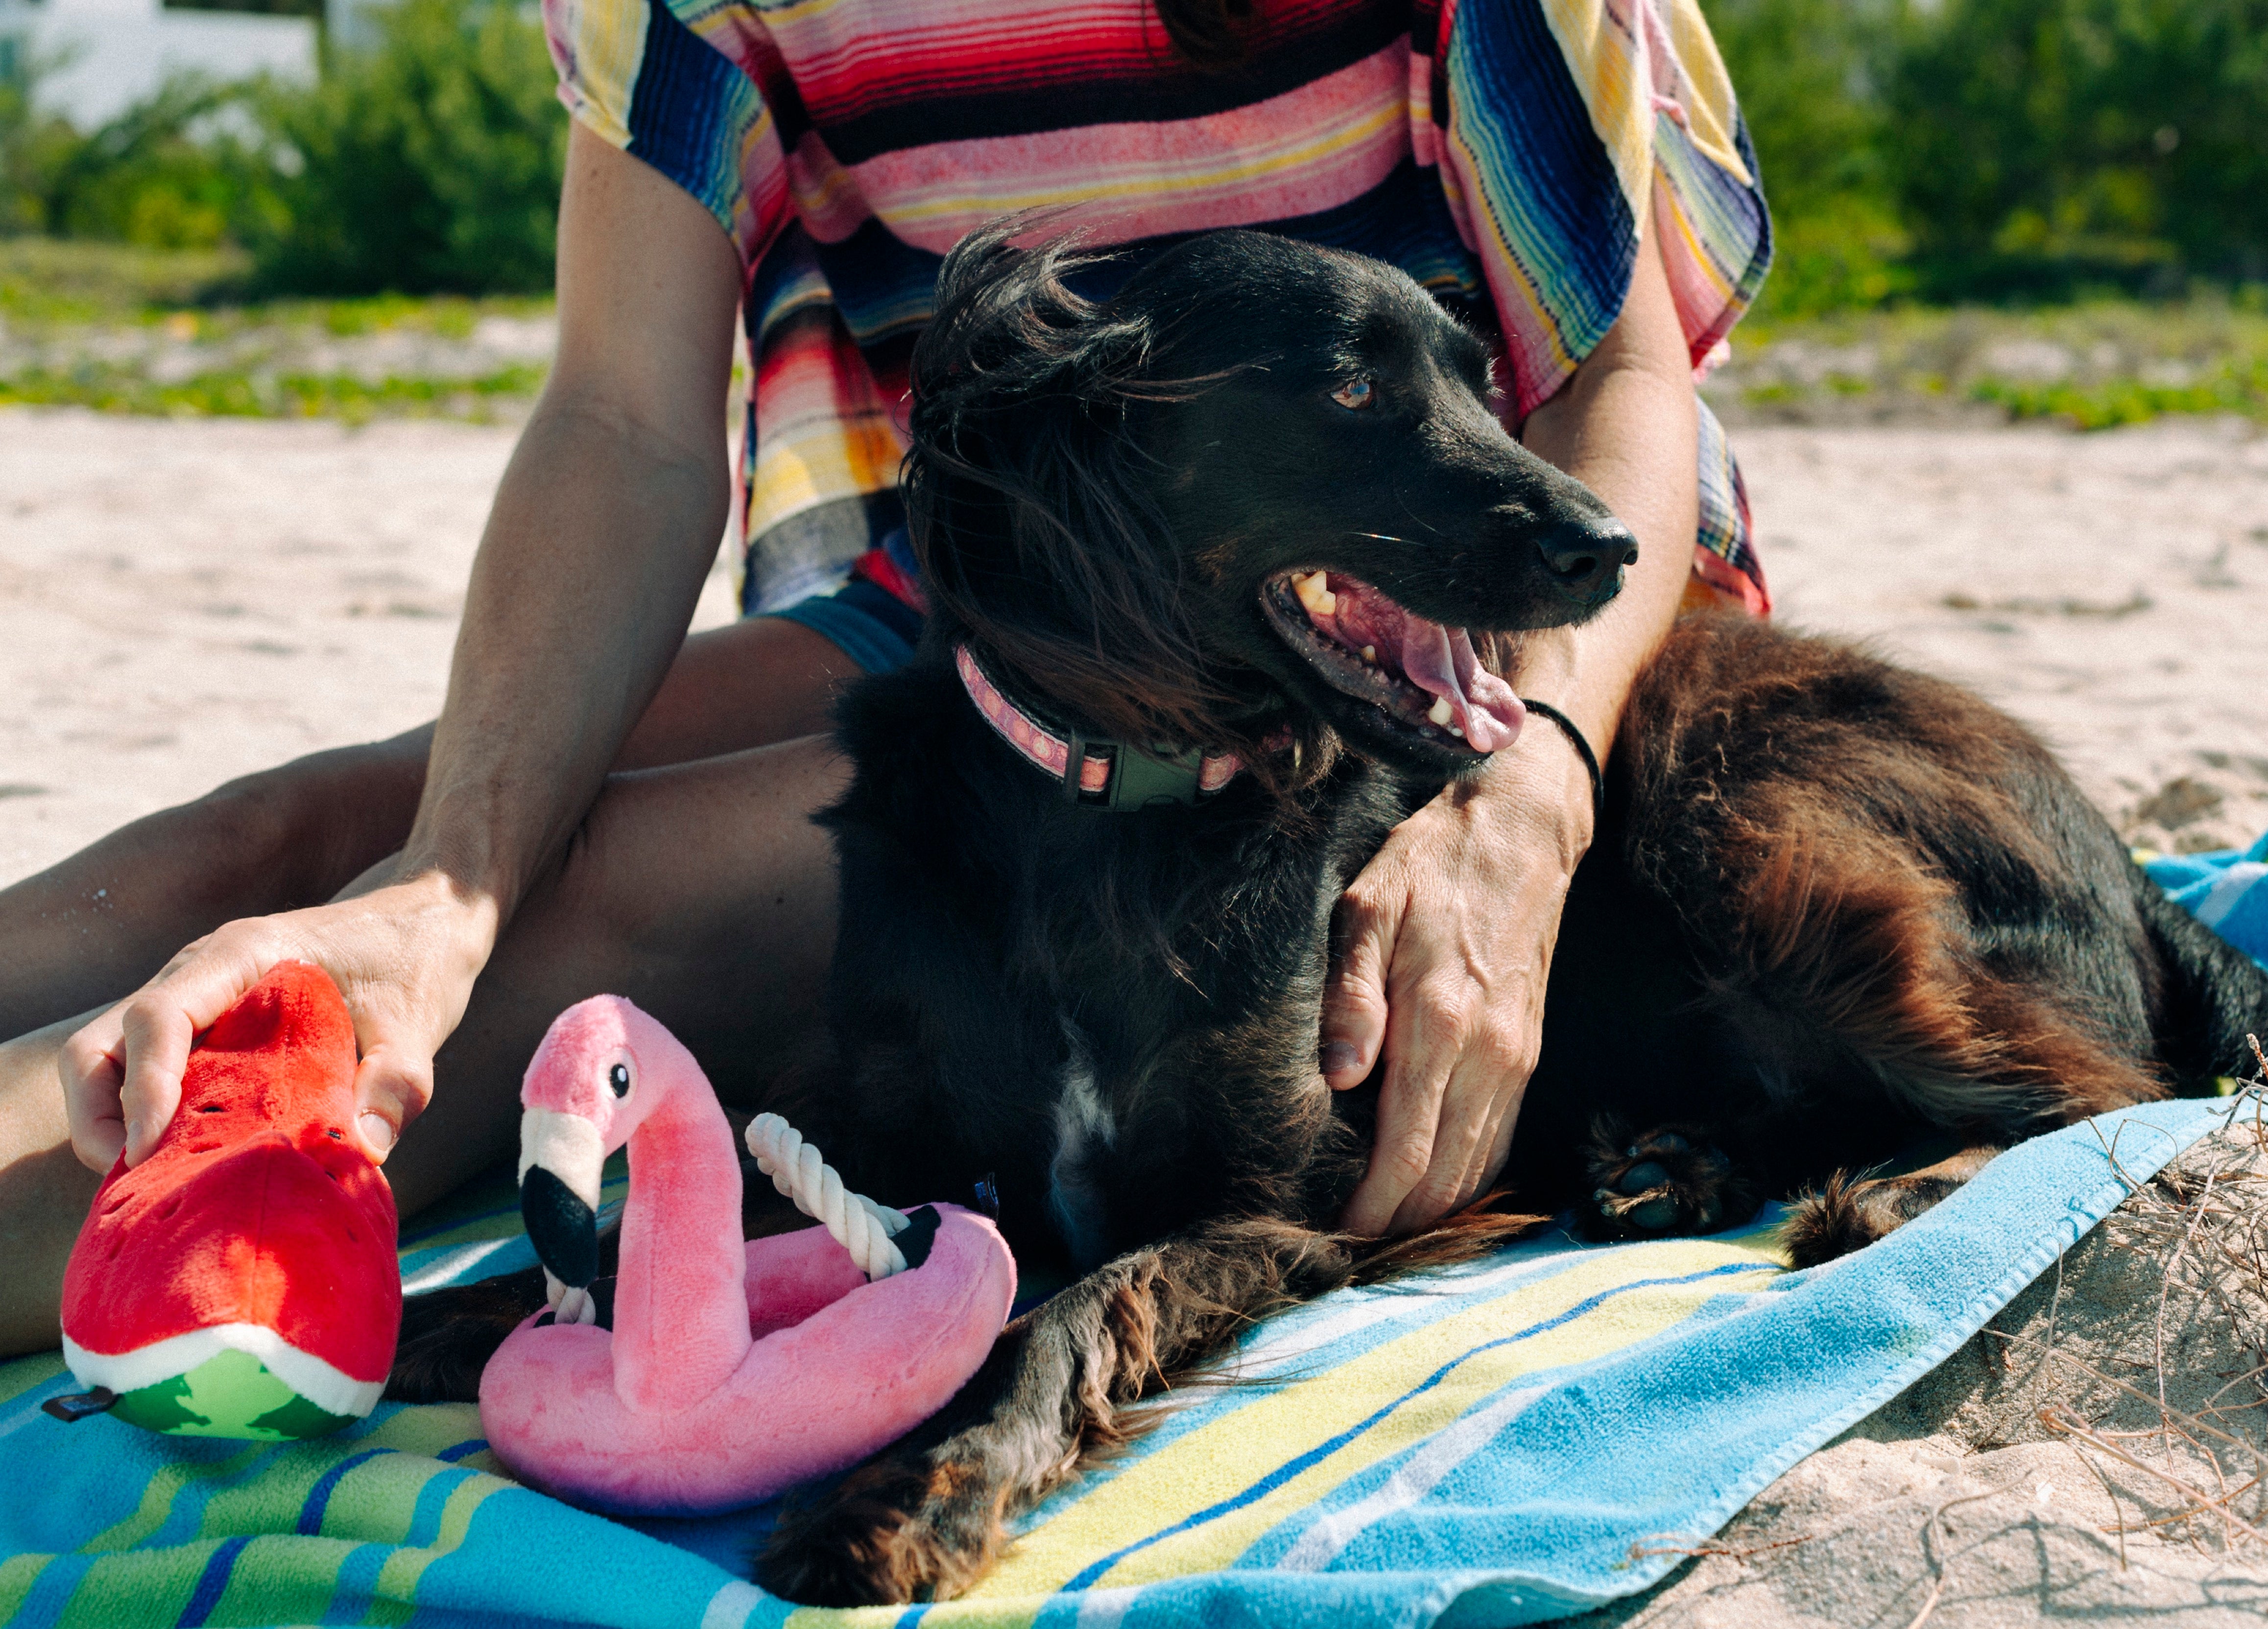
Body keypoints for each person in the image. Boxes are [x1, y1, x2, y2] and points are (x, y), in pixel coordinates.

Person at [0, 0, 1770, 1355]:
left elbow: (1611, 393)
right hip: (992, 603)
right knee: (296, 837)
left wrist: (1533, 774)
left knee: (556, 922)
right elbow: (624, 420)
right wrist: (437, 881)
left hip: (1414, 628)